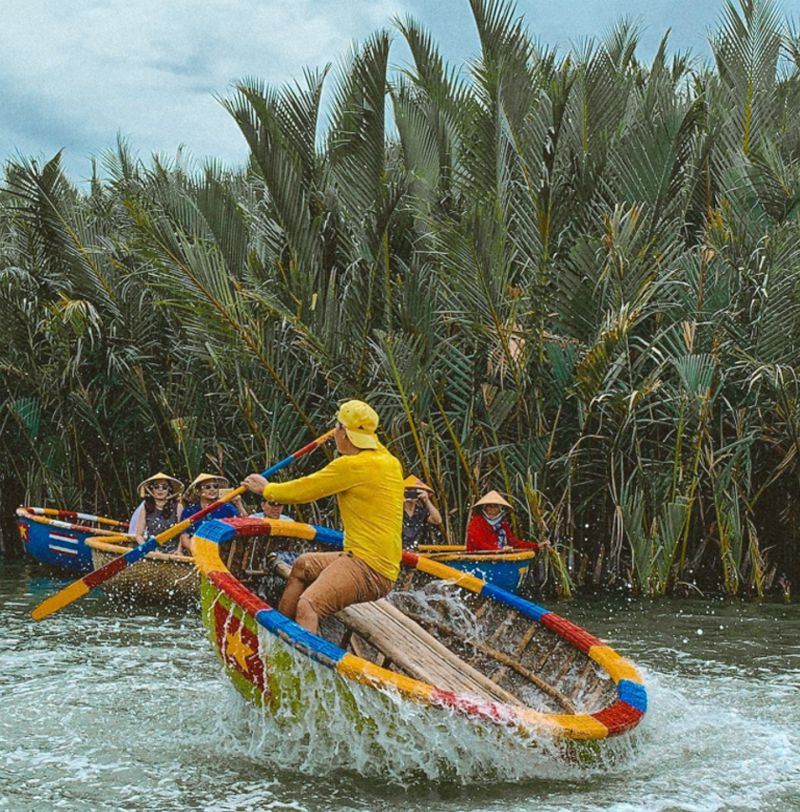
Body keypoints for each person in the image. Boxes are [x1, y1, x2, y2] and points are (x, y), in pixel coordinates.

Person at [242, 399, 403, 634]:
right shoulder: (389, 461)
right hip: (367, 559)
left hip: (368, 566)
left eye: (337, 427)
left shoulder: (351, 466)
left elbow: (305, 490)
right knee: (301, 566)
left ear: (343, 433)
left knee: (309, 605)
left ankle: (305, 665)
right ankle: (277, 633)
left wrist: (266, 489)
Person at [179, 473, 247, 555]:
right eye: (208, 487)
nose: (212, 489)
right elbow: (185, 538)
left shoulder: (226, 508)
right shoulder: (190, 511)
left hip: (222, 551)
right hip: (197, 551)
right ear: (198, 491)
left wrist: (238, 504)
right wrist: (198, 552)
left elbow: (245, 523)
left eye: (215, 486)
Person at [466, 490, 550, 553]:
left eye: (495, 507)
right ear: (484, 508)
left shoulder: (502, 525)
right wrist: (498, 550)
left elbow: (513, 542)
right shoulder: (476, 522)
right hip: (479, 558)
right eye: (489, 507)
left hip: (499, 557)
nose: (492, 510)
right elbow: (477, 543)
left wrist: (536, 545)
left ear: (500, 509)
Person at [130, 472, 184, 552]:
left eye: (164, 487)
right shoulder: (145, 507)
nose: (160, 489)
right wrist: (147, 549)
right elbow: (139, 535)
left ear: (169, 490)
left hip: (174, 552)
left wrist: (179, 551)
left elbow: (183, 533)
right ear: (151, 489)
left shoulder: (178, 507)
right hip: (153, 551)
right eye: (156, 486)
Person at [401, 475, 443, 547]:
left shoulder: (421, 512)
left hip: (418, 552)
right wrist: (400, 500)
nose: (411, 494)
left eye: (414, 491)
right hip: (399, 552)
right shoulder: (396, 511)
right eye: (408, 491)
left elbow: (437, 520)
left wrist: (427, 500)